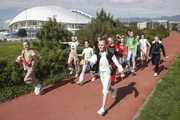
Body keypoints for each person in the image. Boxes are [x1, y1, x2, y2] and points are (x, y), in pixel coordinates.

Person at [80, 39, 125, 115]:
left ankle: (103, 108)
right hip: (101, 72)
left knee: (104, 90)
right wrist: (86, 62)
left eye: (102, 45)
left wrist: (121, 71)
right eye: (99, 45)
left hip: (107, 72)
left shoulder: (110, 53)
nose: (100, 46)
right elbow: (92, 61)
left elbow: (116, 62)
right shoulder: (97, 54)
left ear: (105, 46)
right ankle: (114, 90)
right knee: (106, 87)